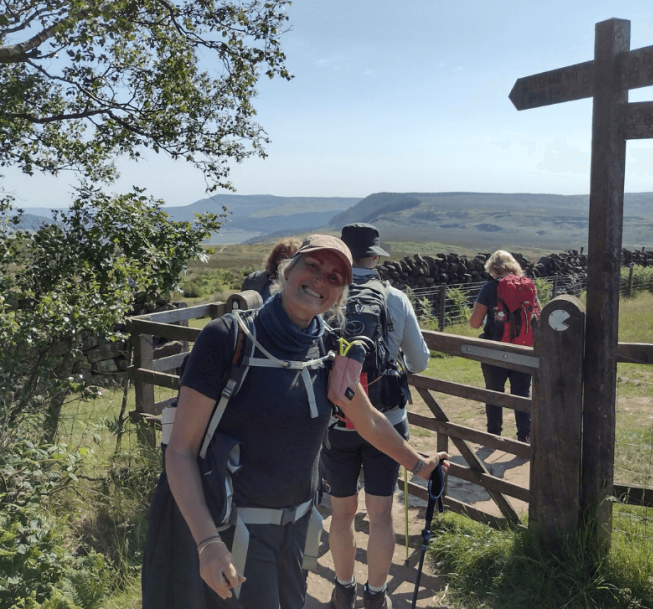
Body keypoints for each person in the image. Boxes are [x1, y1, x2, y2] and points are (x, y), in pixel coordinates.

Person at [146, 234, 448, 609]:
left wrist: (418, 465)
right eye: (313, 266)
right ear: (287, 270)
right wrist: (208, 543)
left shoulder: (327, 349)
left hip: (299, 531)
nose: (322, 280)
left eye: (335, 277)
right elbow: (180, 451)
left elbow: (368, 420)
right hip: (236, 533)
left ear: (340, 295)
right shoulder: (227, 338)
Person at [323, 223, 431, 609]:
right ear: (374, 257)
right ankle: (375, 594)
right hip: (388, 420)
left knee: (341, 513)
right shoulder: (396, 298)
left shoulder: (326, 295)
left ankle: (342, 587)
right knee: (381, 513)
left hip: (336, 422)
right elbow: (419, 361)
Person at [468, 250, 533, 442]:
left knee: (494, 392)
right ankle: (525, 436)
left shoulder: (489, 289)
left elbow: (474, 323)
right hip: (523, 350)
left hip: (495, 350)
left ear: (492, 269)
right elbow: (538, 316)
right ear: (513, 266)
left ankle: (494, 436)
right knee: (521, 393)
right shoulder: (527, 287)